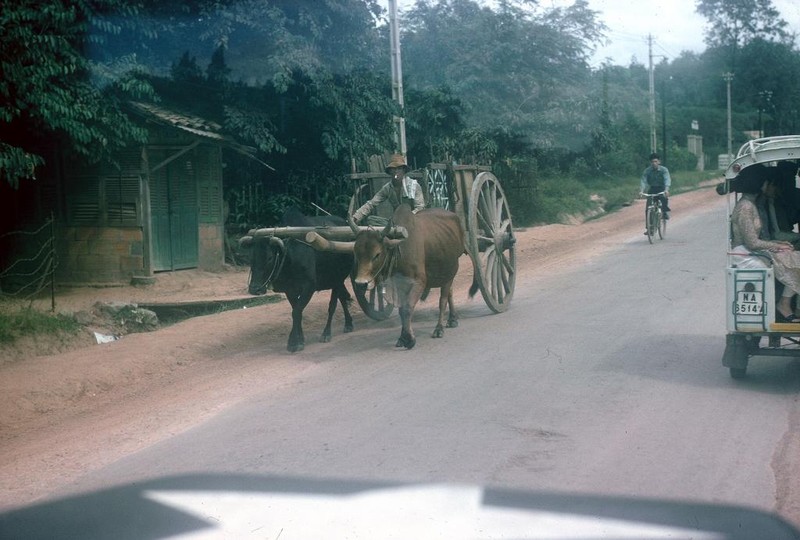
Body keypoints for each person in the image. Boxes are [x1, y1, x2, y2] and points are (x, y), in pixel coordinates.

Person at [730, 170, 800, 323]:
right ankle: (784, 304)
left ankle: (786, 303)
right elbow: (752, 243)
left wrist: (778, 244)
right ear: (759, 185)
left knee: (794, 256)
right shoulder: (745, 207)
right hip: (746, 254)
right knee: (795, 259)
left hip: (753, 251)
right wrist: (776, 246)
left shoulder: (751, 204)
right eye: (766, 182)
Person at [351, 154, 425, 225]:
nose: (396, 171)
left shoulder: (413, 186)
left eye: (399, 169)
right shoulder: (387, 188)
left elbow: (420, 207)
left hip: (413, 220)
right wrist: (355, 217)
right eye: (393, 169)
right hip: (397, 222)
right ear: (390, 172)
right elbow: (371, 204)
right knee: (371, 220)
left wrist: (407, 217)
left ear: (403, 171)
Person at [640, 152, 671, 234]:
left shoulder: (664, 170)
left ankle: (664, 213)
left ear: (659, 162)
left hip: (661, 188)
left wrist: (666, 189)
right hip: (652, 189)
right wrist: (642, 190)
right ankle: (649, 228)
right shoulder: (647, 171)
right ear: (650, 163)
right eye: (652, 162)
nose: (654, 163)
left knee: (664, 198)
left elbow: (667, 179)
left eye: (656, 161)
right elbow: (643, 180)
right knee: (648, 208)